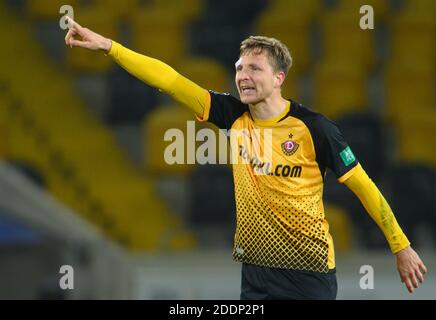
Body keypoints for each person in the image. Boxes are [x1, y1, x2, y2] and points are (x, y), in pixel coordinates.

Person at [64, 17, 427, 299]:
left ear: (279, 77)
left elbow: (363, 186)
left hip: (309, 276)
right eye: (239, 68)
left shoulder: (315, 128)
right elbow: (171, 80)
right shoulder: (231, 114)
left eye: (254, 68)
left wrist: (401, 246)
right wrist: (110, 47)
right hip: (255, 273)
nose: (243, 76)